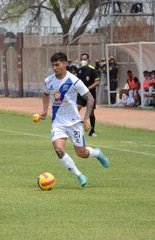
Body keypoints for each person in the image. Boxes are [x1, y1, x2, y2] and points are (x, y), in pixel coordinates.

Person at [40, 52, 109, 187]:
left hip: (74, 122)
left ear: (65, 64)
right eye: (53, 65)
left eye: (57, 64)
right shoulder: (49, 81)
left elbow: (90, 98)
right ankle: (79, 175)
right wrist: (44, 110)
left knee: (81, 153)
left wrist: (87, 118)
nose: (55, 68)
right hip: (58, 123)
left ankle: (97, 153)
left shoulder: (74, 80)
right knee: (59, 150)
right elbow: (45, 93)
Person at [77, 53, 100, 137]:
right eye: (82, 59)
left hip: (90, 94)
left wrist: (88, 88)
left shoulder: (92, 69)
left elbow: (97, 82)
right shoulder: (79, 70)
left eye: (85, 59)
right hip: (80, 94)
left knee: (91, 113)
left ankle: (92, 130)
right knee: (77, 108)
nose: (83, 61)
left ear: (88, 60)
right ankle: (75, 128)